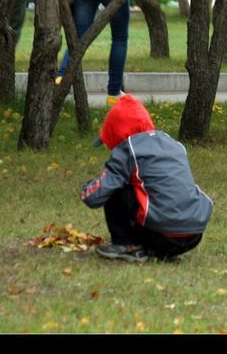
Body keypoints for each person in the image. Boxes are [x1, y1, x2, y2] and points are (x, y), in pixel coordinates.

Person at [81, 93, 213, 262]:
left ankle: (126, 245)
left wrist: (87, 188)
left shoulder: (127, 149)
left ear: (116, 133)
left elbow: (94, 197)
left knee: (118, 187)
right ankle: (163, 250)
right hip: (194, 234)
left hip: (161, 235)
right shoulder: (172, 143)